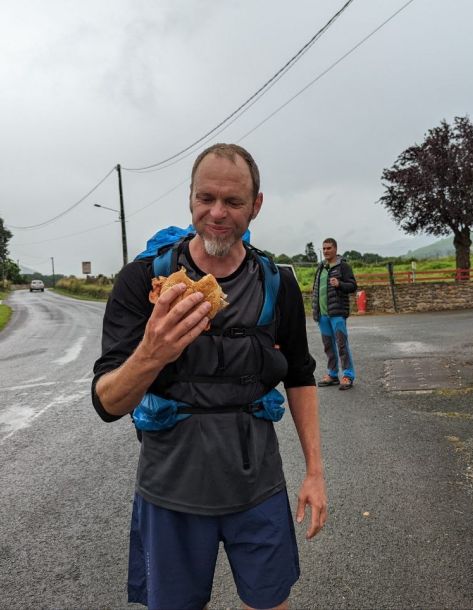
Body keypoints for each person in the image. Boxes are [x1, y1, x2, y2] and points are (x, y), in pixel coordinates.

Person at [91, 143, 327, 610]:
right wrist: (152, 352)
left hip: (257, 486)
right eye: (206, 198)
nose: (217, 213)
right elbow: (107, 403)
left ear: (256, 205)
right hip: (170, 491)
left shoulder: (276, 283)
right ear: (190, 198)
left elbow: (300, 376)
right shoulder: (143, 281)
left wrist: (315, 473)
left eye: (233, 201)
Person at [312, 238, 357, 390]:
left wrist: (339, 284)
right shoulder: (321, 267)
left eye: (329, 248)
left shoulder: (343, 266)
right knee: (328, 346)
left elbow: (353, 286)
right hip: (322, 315)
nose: (326, 251)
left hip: (337, 313)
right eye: (324, 248)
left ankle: (348, 375)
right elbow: (316, 290)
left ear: (335, 249)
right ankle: (332, 374)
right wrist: (316, 311)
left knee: (342, 344)